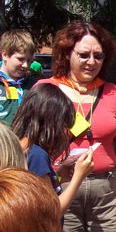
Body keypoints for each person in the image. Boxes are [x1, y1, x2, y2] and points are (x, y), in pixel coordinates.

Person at [36, 20, 116, 232]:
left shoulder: (114, 93)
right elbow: (30, 145)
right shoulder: (46, 90)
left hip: (105, 191)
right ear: (66, 53)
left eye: (98, 55)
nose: (91, 62)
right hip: (61, 190)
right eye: (83, 54)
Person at [12, 84, 93, 214]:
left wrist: (59, 174)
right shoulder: (36, 154)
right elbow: (52, 212)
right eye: (64, 124)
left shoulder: (18, 147)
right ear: (50, 123)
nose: (66, 131)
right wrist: (79, 176)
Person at [0, 30, 35, 125]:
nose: (25, 65)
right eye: (20, 59)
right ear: (5, 55)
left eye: (29, 61)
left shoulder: (34, 85)